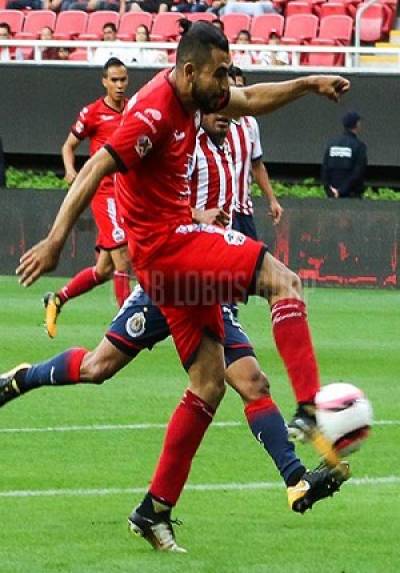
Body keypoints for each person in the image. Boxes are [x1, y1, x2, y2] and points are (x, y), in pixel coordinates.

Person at [16, 21, 350, 552]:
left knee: (209, 384)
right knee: (283, 283)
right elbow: (95, 167)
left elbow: (251, 97)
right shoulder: (150, 112)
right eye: (218, 74)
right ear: (189, 70)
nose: (225, 87)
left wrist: (309, 84)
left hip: (178, 255)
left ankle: (154, 510)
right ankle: (310, 412)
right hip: (168, 252)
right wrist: (56, 240)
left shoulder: (198, 97)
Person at [43, 58, 131, 339]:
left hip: (129, 194)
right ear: (104, 81)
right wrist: (70, 171)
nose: (119, 85)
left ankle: (57, 298)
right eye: (114, 80)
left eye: (123, 80)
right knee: (122, 258)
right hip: (105, 194)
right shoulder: (93, 112)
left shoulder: (133, 109)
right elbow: (68, 146)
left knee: (104, 269)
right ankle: (127, 327)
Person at [227, 67, 283, 242]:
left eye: (241, 88)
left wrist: (272, 199)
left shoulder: (250, 124)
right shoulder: (214, 122)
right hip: (223, 210)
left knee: (252, 265)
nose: (237, 92)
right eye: (232, 88)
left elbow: (257, 165)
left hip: (244, 209)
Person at [321, 111, 368, 199]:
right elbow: (358, 172)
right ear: (357, 124)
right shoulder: (359, 146)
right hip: (352, 196)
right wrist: (341, 191)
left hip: (332, 196)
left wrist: (330, 190)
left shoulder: (332, 144)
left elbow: (325, 169)